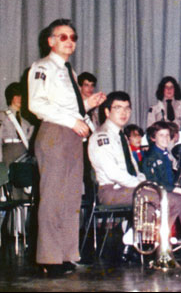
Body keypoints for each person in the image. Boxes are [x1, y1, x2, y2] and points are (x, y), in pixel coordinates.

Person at [28, 19, 106, 275]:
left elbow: (70, 108)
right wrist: (73, 119)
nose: (69, 41)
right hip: (54, 135)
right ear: (50, 41)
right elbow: (37, 105)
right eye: (63, 37)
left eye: (73, 37)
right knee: (52, 197)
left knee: (71, 197)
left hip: (72, 136)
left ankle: (67, 254)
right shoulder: (42, 67)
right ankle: (49, 259)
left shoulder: (70, 72)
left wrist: (87, 105)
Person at [0, 82, 35, 199]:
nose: (20, 99)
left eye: (21, 96)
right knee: (10, 191)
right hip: (9, 154)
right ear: (11, 98)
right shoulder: (1, 116)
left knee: (26, 191)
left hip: (24, 154)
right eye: (17, 96)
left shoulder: (27, 118)